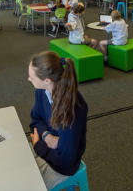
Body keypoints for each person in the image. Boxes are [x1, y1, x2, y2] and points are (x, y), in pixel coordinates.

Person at [28, 51, 88, 189]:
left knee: (26, 184)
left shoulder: (72, 110)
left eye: (31, 77)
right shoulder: (42, 91)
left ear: (47, 81)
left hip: (63, 166)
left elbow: (66, 161)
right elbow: (35, 121)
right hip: (47, 149)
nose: (29, 79)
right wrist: (46, 136)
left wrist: (38, 145)